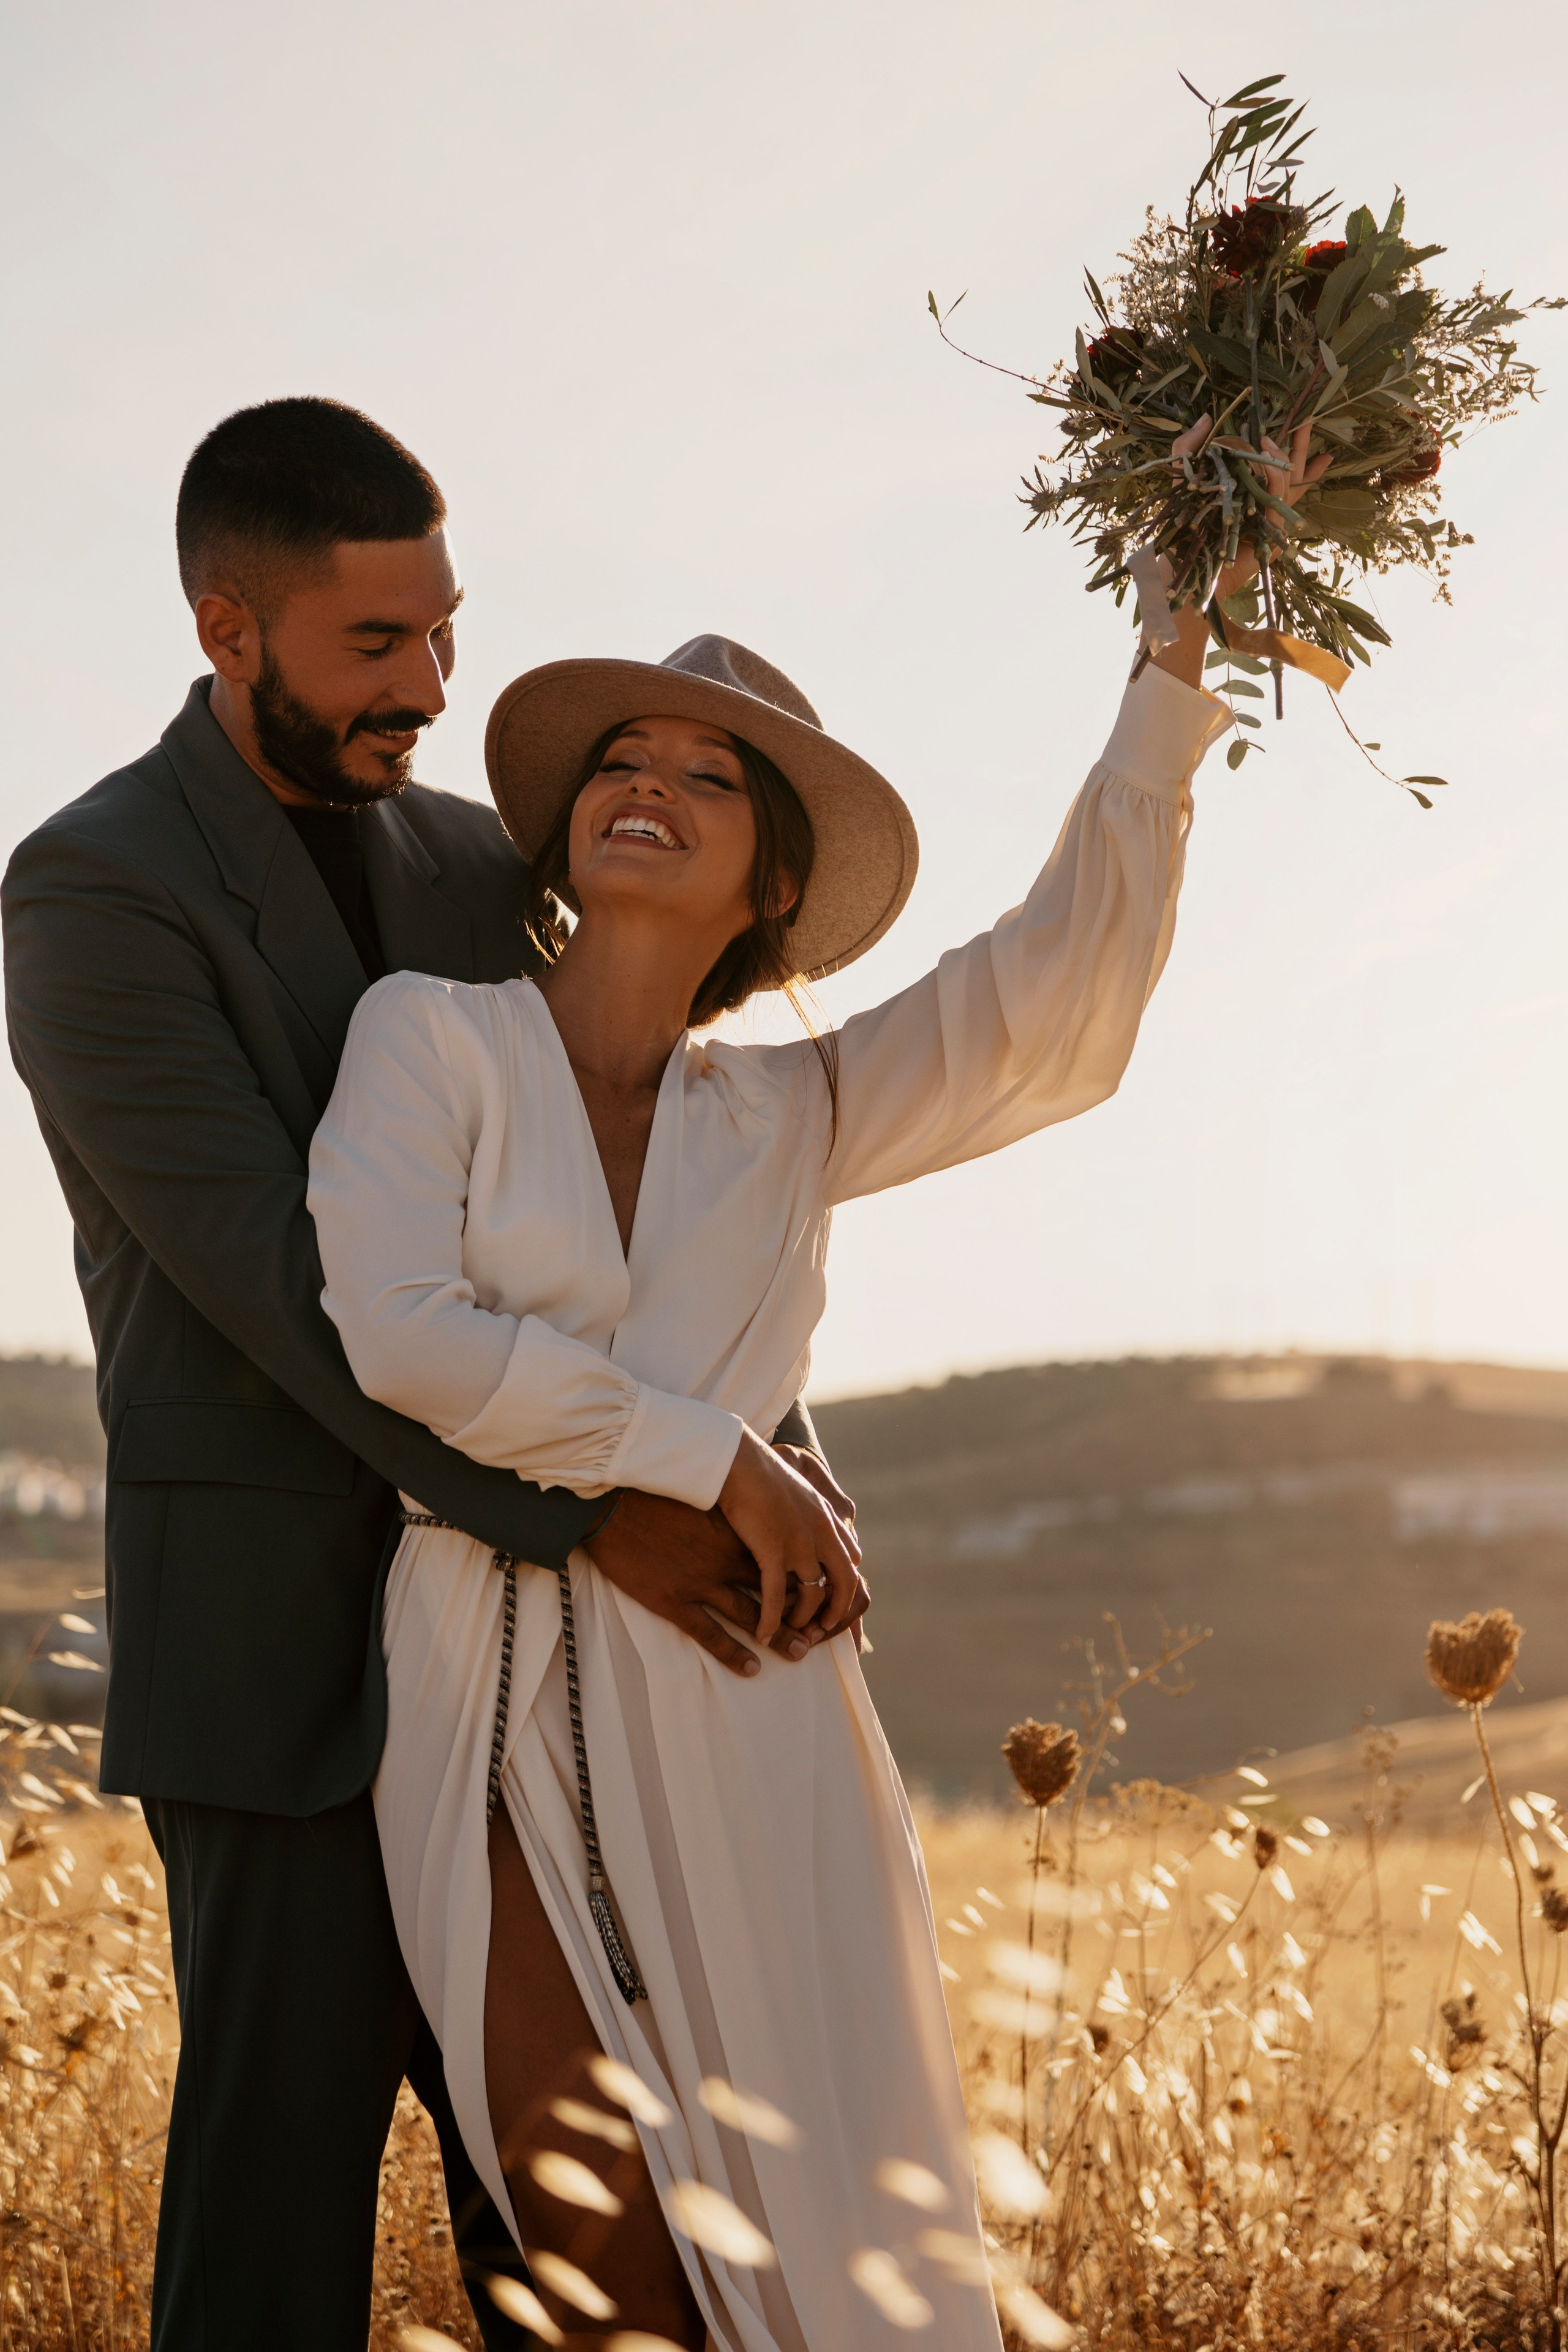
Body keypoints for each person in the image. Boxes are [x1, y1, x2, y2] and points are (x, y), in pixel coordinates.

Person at [306, 428, 1324, 2348]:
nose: (649, 783)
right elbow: (403, 1335)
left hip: (753, 1711)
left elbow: (1059, 1004)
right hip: (479, 1684)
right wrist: (719, 1462)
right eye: (624, 756)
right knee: (596, 2255)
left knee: (823, 2249)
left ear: (772, 880)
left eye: (710, 777)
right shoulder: (428, 1041)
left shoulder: (798, 1108)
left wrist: (1171, 677)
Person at [1, 396, 859, 2352]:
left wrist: (764, 1456)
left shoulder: (483, 862)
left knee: (588, 2241)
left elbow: (646, 1172)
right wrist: (607, 1510)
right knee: (272, 2240)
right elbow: (278, 1290)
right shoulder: (88, 893)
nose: (434, 686)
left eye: (447, 630)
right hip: (283, 1654)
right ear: (229, 627)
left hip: (544, 1672)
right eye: (377, 643)